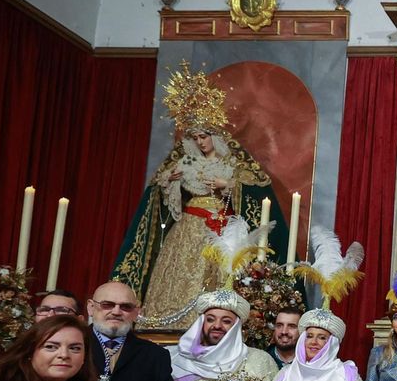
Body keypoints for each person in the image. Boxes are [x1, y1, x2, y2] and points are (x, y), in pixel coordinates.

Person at [112, 63, 285, 324]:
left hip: (219, 228)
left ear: (215, 137)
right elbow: (160, 195)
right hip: (188, 224)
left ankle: (211, 323)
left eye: (204, 136)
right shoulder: (185, 163)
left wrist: (226, 184)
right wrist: (170, 181)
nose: (200, 142)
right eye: (195, 138)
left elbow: (253, 189)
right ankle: (165, 322)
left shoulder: (233, 165)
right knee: (177, 271)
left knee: (214, 272)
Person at [167, 289, 279, 381]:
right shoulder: (173, 357)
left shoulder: (258, 360)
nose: (217, 325)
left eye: (226, 321)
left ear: (236, 326)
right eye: (210, 319)